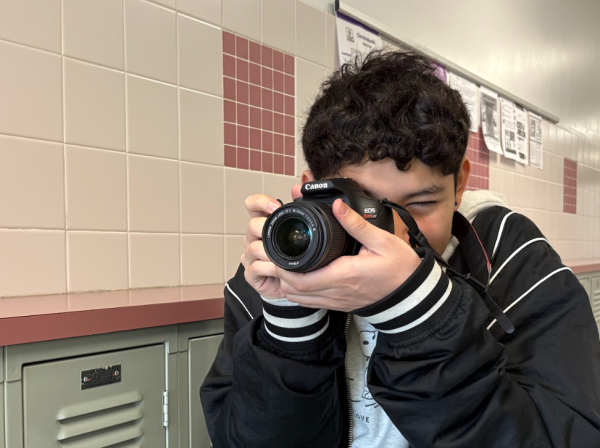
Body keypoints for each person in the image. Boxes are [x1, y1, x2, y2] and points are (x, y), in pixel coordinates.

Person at [200, 50, 600, 447]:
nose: (392, 235)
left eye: (421, 204)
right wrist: (289, 331)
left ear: (459, 183)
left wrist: (419, 314)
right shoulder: (282, 260)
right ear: (312, 188)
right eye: (363, 208)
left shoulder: (509, 256)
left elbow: (568, 435)